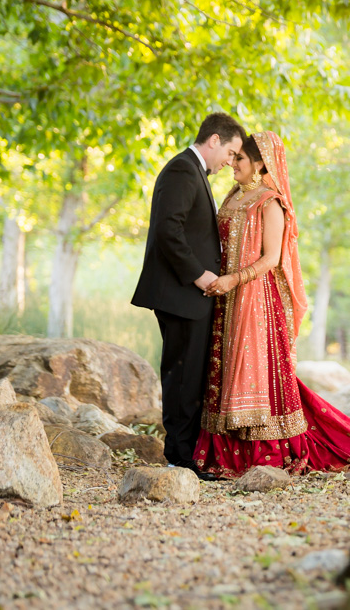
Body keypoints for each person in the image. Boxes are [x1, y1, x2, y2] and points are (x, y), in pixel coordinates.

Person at [193, 131, 350, 477]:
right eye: (233, 156)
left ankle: (263, 452)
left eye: (239, 158)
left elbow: (270, 259)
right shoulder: (231, 198)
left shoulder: (270, 203)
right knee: (224, 370)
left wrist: (232, 281)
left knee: (257, 375)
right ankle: (223, 451)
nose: (232, 164)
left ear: (259, 163)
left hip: (254, 300)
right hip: (224, 299)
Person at [131, 113, 245, 479]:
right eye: (230, 152)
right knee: (182, 376)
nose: (229, 161)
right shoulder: (182, 170)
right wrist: (200, 276)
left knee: (189, 375)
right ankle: (180, 460)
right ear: (214, 140)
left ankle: (185, 456)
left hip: (186, 295)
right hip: (181, 292)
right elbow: (169, 231)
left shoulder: (193, 171)